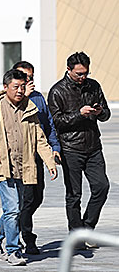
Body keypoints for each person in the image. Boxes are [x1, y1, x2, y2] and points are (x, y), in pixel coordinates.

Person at [0, 69, 57, 266]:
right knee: (13, 210)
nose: (19, 90)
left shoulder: (30, 108)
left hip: (24, 168)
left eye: (22, 87)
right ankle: (13, 251)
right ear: (6, 87)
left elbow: (40, 140)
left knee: (14, 209)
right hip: (2, 167)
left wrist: (50, 162)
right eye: (16, 87)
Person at [48, 52, 110, 245]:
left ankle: (87, 229)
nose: (83, 77)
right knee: (74, 195)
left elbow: (106, 114)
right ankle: (76, 235)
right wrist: (79, 114)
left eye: (85, 73)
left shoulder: (94, 86)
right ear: (69, 70)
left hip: (93, 147)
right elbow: (56, 122)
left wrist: (100, 112)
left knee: (102, 186)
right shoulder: (57, 91)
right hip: (70, 148)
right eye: (79, 74)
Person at [13, 61, 61, 255]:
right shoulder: (9, 100)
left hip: (37, 155)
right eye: (24, 77)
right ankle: (27, 238)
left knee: (37, 197)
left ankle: (14, 225)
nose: (28, 80)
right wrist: (23, 97)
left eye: (31, 77)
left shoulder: (39, 98)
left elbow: (48, 124)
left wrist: (55, 148)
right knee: (26, 198)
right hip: (18, 158)